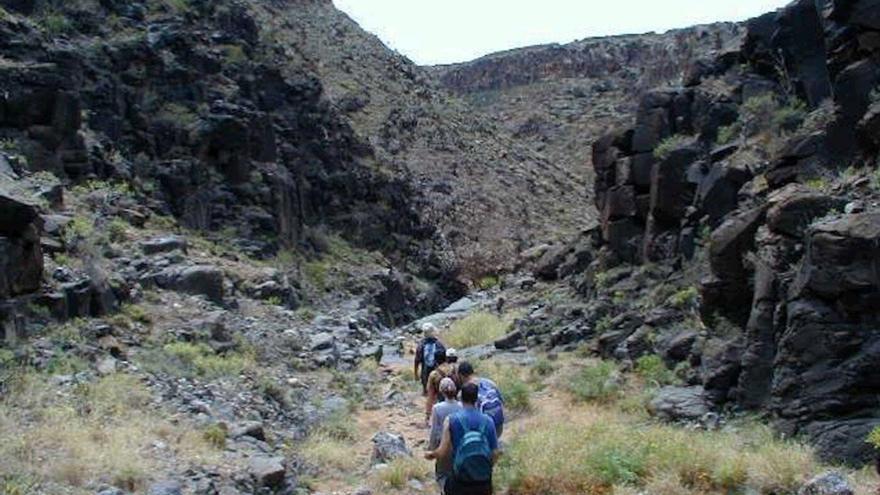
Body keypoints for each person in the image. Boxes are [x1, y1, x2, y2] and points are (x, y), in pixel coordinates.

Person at [426, 382, 499, 495]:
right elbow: (495, 453)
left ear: (461, 397)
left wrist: (431, 454)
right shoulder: (488, 421)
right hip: (484, 482)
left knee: (444, 483)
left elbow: (442, 452)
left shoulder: (451, 420)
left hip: (460, 481)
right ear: (477, 398)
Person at [428, 377, 463, 493]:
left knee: (442, 475)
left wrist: (432, 449)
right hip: (459, 445)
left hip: (443, 446)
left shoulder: (437, 408)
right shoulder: (462, 406)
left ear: (441, 391)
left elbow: (434, 431)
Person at [457, 361, 505, 438]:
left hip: (484, 429)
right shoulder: (489, 382)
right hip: (499, 426)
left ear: (460, 375)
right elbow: (502, 401)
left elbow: (464, 416)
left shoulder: (463, 392)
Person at [425, 348, 460, 424]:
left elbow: (430, 396)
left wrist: (428, 414)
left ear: (435, 360)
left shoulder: (434, 374)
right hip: (457, 403)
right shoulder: (455, 369)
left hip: (442, 404)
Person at [414, 323, 446, 395]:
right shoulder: (439, 344)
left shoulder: (421, 345)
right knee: (438, 393)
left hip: (425, 373)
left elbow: (417, 360)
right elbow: (445, 360)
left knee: (426, 393)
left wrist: (416, 374)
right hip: (438, 373)